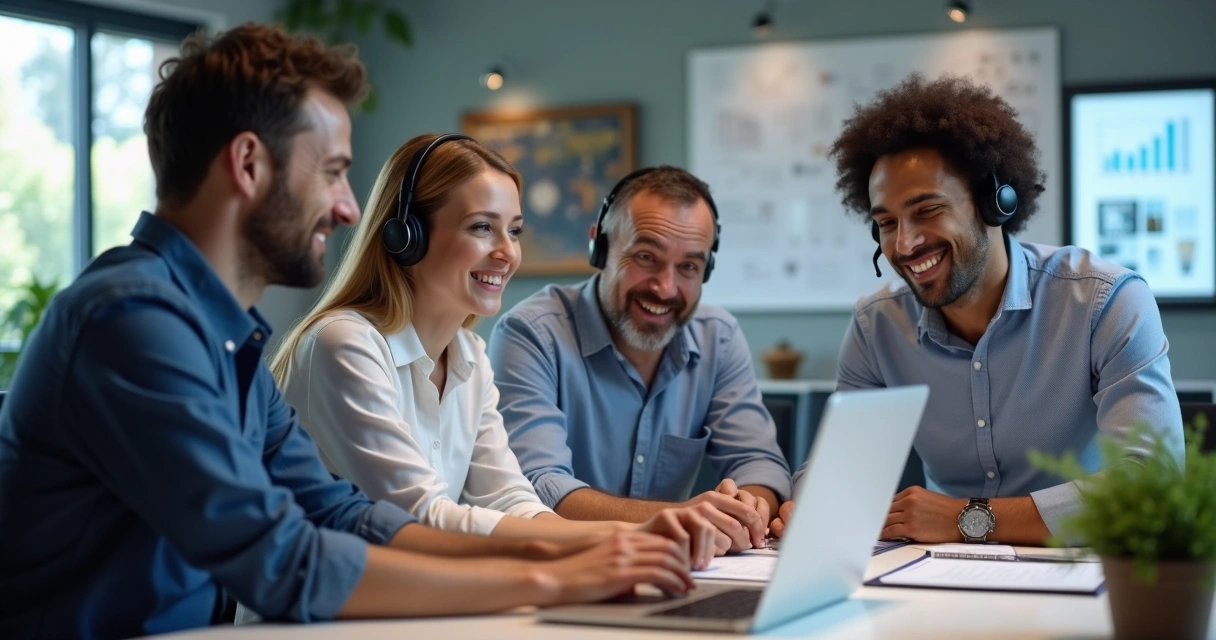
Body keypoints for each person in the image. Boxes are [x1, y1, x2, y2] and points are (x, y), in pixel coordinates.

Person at [0, 24, 700, 638]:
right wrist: (555, 581)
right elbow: (284, 560)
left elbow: (346, 515)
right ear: (248, 165)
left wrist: (579, 551)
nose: (346, 208)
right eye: (333, 172)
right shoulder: (131, 321)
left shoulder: (227, 338)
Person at [269, 133, 733, 566]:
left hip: (417, 609)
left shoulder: (469, 354)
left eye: (514, 231)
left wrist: (644, 535)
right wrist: (635, 535)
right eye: (481, 228)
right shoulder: (343, 344)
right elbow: (419, 517)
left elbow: (511, 499)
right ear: (406, 235)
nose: (507, 253)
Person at [769, 74, 1183, 545]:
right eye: (886, 223)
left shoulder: (1104, 302)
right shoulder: (876, 326)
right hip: (934, 576)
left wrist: (969, 519)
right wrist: (817, 502)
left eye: (926, 210)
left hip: (1078, 567)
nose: (904, 244)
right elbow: (832, 470)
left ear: (995, 203)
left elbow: (1153, 481)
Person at [488, 166, 793, 550]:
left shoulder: (719, 337)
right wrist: (677, 519)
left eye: (688, 267)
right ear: (599, 247)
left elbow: (758, 462)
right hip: (559, 562)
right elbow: (537, 484)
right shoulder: (531, 333)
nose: (665, 288)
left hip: (674, 569)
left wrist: (749, 510)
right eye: (646, 257)